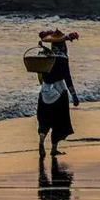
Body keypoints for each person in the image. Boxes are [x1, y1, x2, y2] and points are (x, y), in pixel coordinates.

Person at [36, 29, 80, 158]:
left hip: (44, 92)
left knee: (44, 120)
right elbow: (67, 78)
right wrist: (74, 95)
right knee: (59, 121)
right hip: (59, 93)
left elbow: (41, 75)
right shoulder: (63, 59)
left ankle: (41, 141)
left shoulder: (45, 57)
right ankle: (54, 148)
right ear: (63, 45)